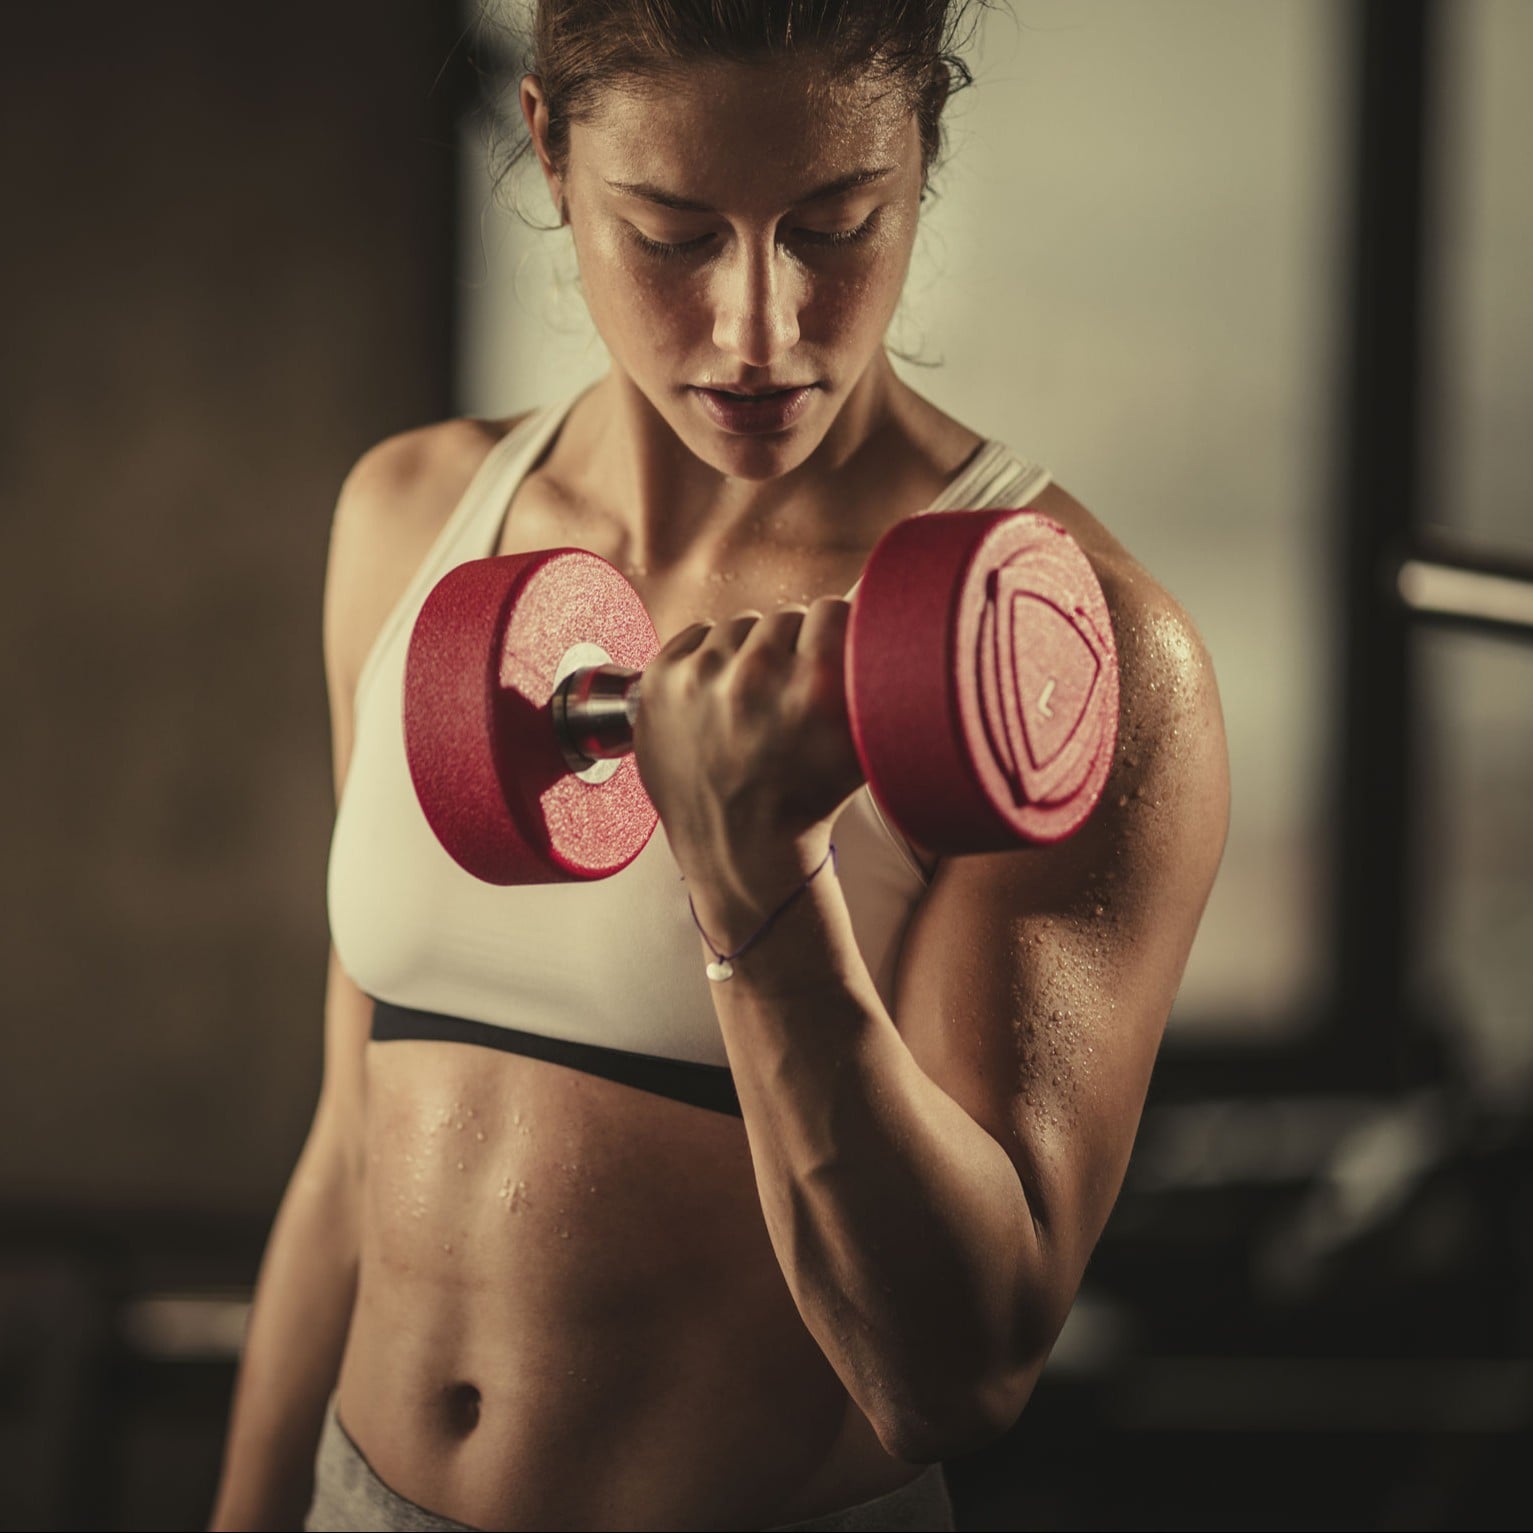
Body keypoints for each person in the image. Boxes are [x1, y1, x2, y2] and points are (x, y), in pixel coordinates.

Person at [210, 2, 1230, 1528]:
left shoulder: (1067, 655)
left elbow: (956, 1372)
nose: (760, 328)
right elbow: (347, 1151)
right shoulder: (413, 516)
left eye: (836, 226)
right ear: (552, 151)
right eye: (673, 235)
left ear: (922, 158)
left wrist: (758, 877)